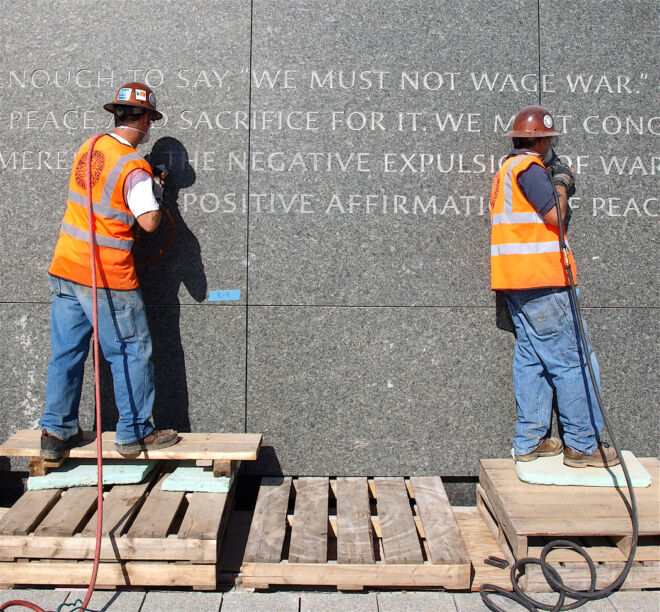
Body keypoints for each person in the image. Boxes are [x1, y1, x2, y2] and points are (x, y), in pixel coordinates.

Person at [39, 82, 179, 459]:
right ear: (146, 118)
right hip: (107, 276)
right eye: (150, 118)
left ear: (116, 115)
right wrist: (156, 188)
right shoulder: (133, 166)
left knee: (66, 352)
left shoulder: (90, 147)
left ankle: (55, 432)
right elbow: (149, 221)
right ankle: (133, 432)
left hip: (67, 267)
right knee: (131, 351)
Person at [490, 105, 618, 468]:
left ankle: (529, 441)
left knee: (531, 359)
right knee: (573, 361)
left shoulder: (506, 170)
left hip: (518, 281)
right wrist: (560, 181)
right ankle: (581, 445)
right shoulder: (529, 170)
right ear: (542, 140)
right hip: (543, 281)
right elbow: (555, 218)